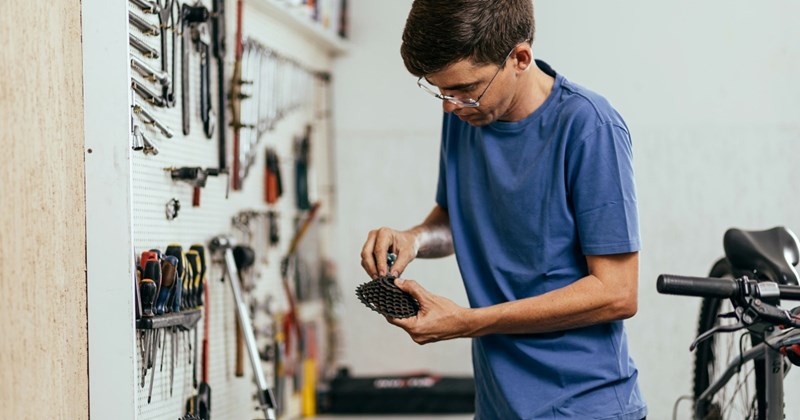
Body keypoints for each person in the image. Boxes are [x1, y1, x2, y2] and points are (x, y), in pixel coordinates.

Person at [359, 0, 647, 419]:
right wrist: (414, 239)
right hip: (498, 406)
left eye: (464, 89)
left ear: (520, 57)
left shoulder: (590, 127)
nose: (450, 105)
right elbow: (459, 220)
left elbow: (617, 292)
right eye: (440, 90)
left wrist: (469, 321)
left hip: (582, 405)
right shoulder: (464, 114)